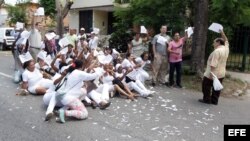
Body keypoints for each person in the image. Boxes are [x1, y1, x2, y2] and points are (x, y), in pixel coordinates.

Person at [199, 30, 229, 105]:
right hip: (221, 73)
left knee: (206, 85)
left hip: (213, 72)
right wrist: (222, 33)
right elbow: (226, 40)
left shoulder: (217, 51)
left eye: (214, 42)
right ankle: (214, 101)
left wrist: (211, 74)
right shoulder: (226, 49)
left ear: (218, 43)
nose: (213, 44)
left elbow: (213, 64)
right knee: (216, 87)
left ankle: (207, 99)